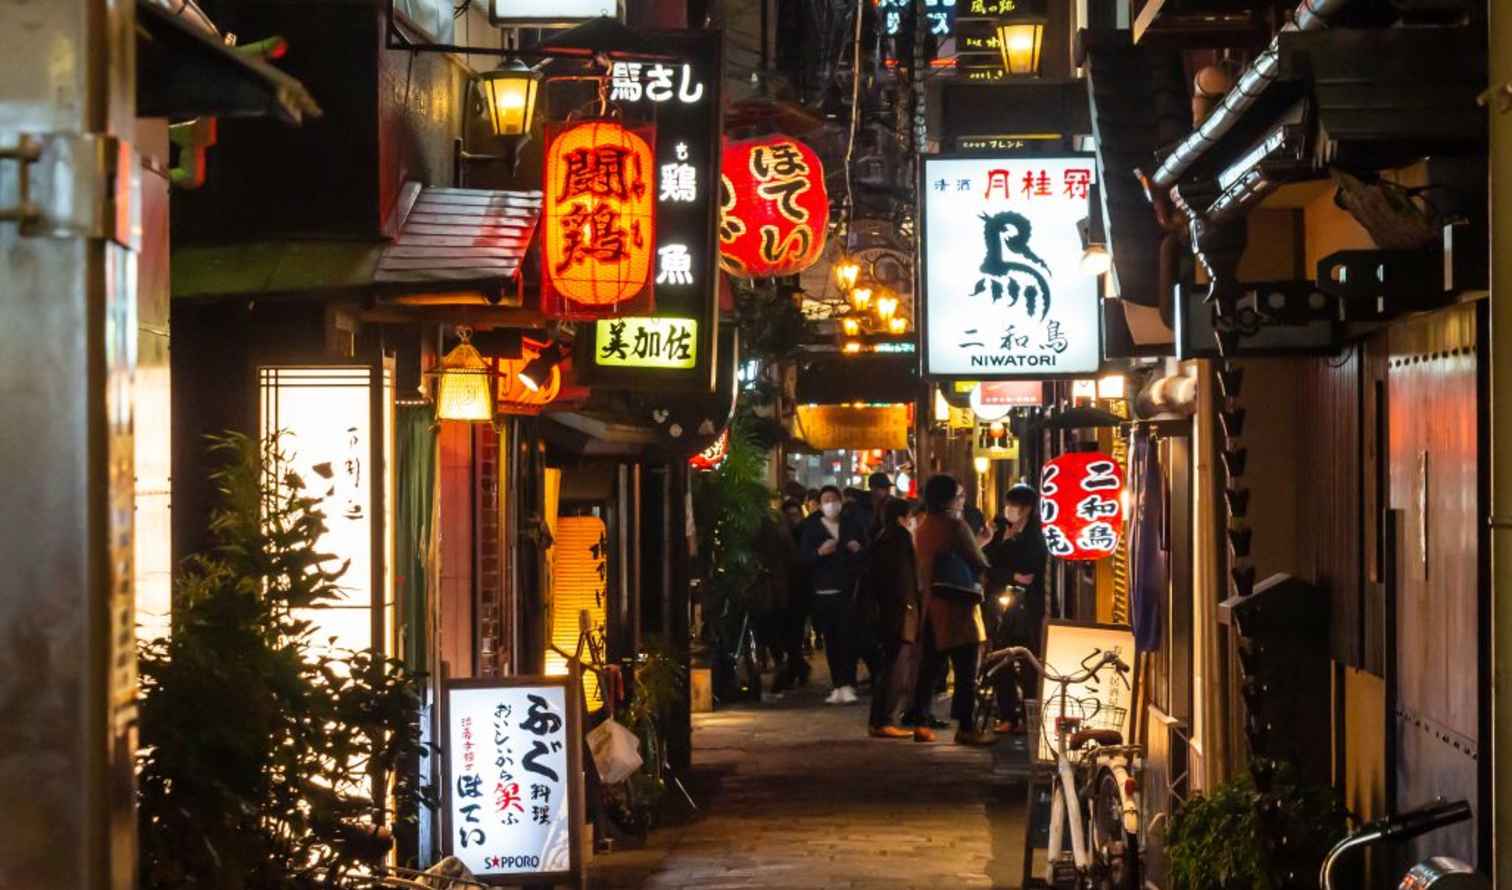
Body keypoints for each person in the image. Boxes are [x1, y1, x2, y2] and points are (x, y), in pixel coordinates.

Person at [911, 474, 995, 745]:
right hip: (958, 606)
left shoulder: (924, 527)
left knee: (929, 667)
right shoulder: (955, 526)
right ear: (949, 499)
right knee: (965, 670)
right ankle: (966, 727)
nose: (962, 500)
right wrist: (984, 544)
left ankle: (920, 722)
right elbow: (977, 561)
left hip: (931, 606)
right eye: (959, 495)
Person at [983, 483, 1048, 732]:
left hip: (1029, 607)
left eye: (1015, 506)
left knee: (1030, 659)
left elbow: (1030, 572)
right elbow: (987, 563)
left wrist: (1008, 568)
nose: (1009, 510)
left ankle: (1030, 716)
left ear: (1028, 509)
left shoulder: (1035, 534)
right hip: (1003, 604)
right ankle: (1008, 715)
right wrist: (1010, 572)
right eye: (1007, 505)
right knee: (1001, 659)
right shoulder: (1000, 531)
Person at [855, 497, 920, 738]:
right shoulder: (899, 540)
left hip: (884, 614)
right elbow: (903, 582)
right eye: (911, 517)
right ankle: (885, 720)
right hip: (897, 614)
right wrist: (911, 610)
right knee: (894, 669)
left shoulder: (882, 538)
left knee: (886, 668)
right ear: (903, 518)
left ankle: (879, 721)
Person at [800, 485, 867, 703]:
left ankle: (848, 682)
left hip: (847, 590)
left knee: (848, 638)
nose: (830, 504)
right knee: (831, 639)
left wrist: (858, 550)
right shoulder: (810, 526)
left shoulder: (851, 524)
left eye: (834, 499)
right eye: (826, 500)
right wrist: (819, 552)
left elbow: (865, 553)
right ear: (819, 504)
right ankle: (838, 683)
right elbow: (803, 559)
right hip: (823, 591)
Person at [772, 499, 813, 693]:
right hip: (784, 591)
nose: (792, 519)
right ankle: (799, 669)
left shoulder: (805, 533)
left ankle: (794, 671)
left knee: (793, 635)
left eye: (795, 515)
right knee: (787, 635)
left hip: (800, 591)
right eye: (788, 515)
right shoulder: (782, 535)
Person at [852, 471, 894, 543]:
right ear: (872, 488)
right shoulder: (860, 507)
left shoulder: (891, 504)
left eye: (887, 488)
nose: (887, 491)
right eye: (883, 488)